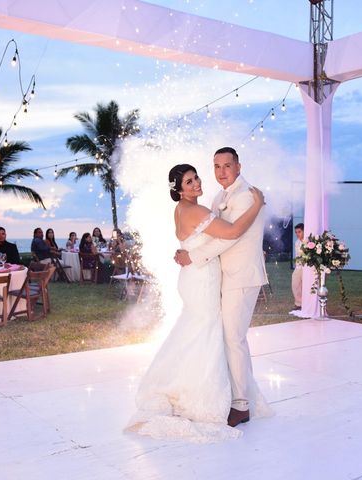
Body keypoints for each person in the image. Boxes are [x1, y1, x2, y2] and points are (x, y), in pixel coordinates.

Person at [126, 163, 266, 443]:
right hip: (201, 279)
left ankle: (194, 388)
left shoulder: (181, 209)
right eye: (188, 182)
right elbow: (234, 231)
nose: (196, 183)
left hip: (195, 276)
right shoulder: (197, 210)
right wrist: (258, 204)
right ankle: (202, 395)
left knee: (198, 332)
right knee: (205, 333)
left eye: (196, 178)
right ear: (178, 190)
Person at [174, 147, 272, 428]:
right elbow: (209, 233)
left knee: (233, 338)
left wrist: (192, 255)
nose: (221, 172)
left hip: (241, 275)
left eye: (227, 166)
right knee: (224, 337)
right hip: (219, 276)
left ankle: (241, 405)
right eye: (216, 166)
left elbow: (231, 237)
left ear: (238, 167)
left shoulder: (246, 196)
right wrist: (187, 249)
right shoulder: (218, 196)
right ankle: (232, 394)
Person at [291, 223, 305, 311]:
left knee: (305, 286)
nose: (297, 234)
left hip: (306, 268)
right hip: (298, 267)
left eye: (299, 232)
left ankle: (305, 304)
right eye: (296, 232)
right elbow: (297, 255)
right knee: (295, 284)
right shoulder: (297, 242)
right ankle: (298, 303)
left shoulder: (308, 241)